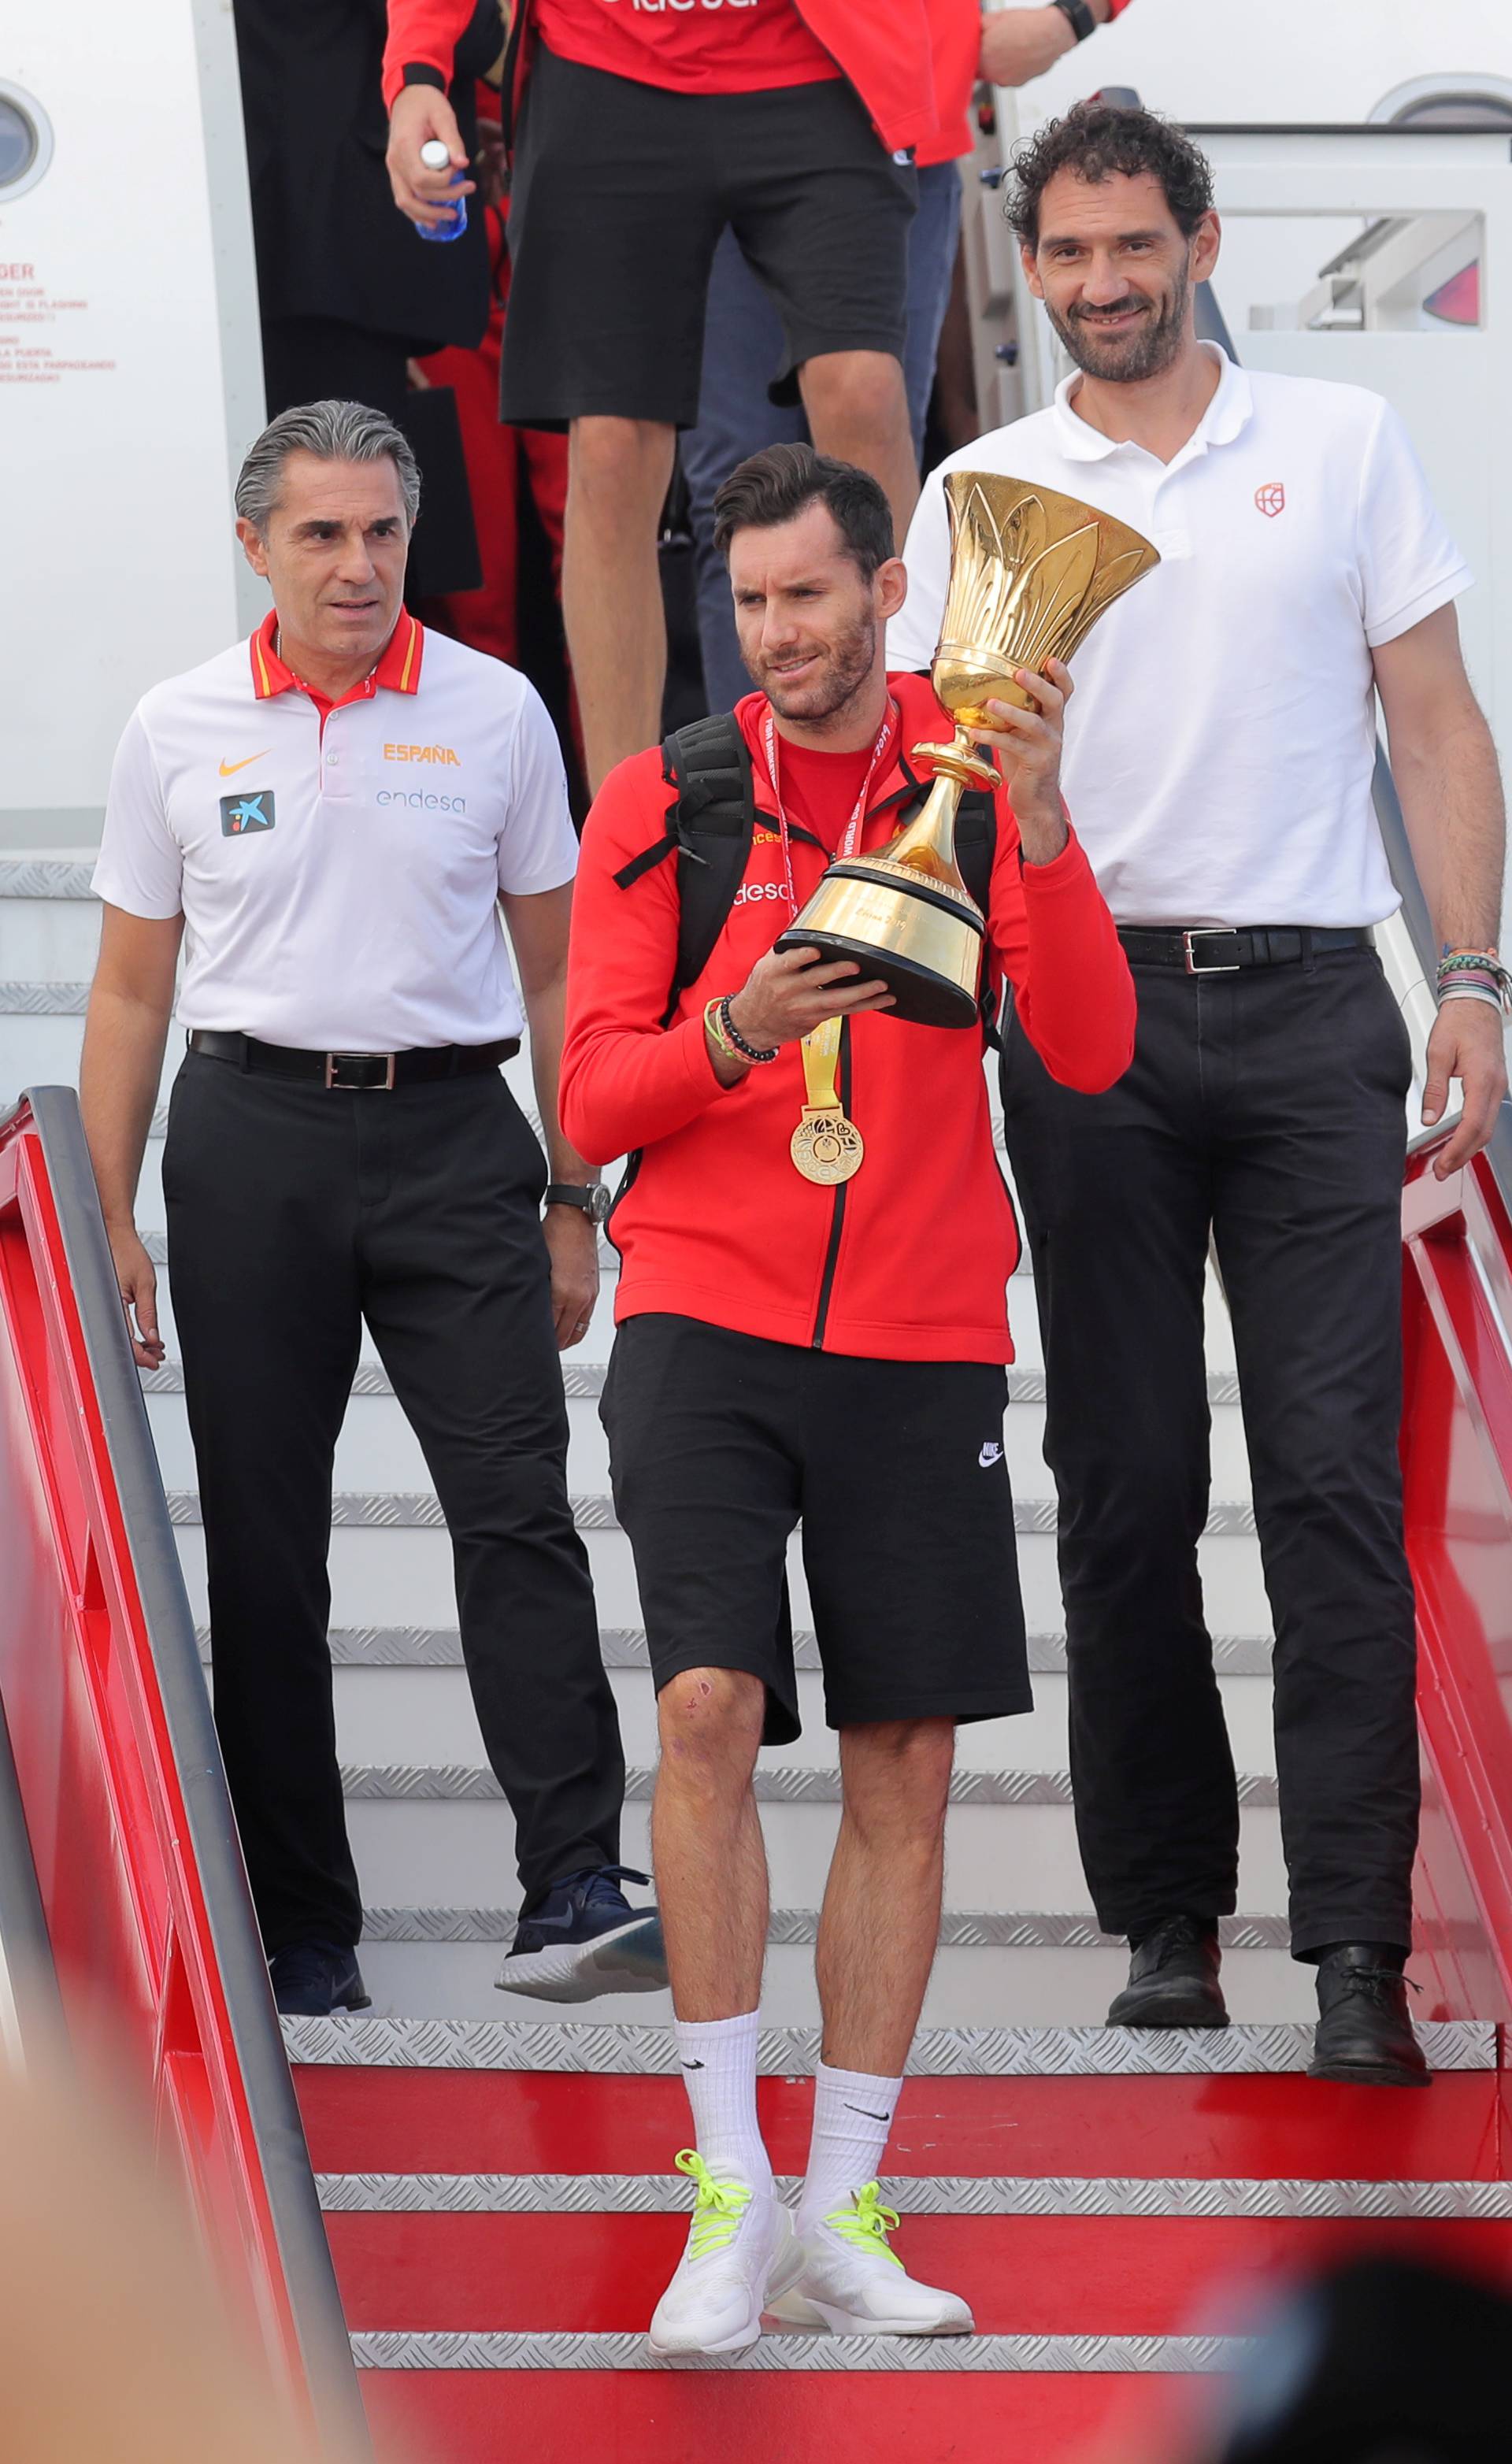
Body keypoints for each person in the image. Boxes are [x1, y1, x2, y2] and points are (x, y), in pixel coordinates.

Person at [891, 101, 1510, 2086]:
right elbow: (928, 791)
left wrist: (1472, 977)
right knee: (1126, 1493)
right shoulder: (982, 486)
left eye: (1128, 247)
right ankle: (1164, 1926)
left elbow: (1434, 725)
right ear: (1029, 264)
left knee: (1333, 1497)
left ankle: (1350, 1954)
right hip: (1084, 1028)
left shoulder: (1336, 446)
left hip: (1322, 1006)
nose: (1097, 284)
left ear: (1199, 238)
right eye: (1063, 254)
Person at [561, 443, 1134, 2354]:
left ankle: (844, 2200)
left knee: (903, 1766)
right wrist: (743, 1027)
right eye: (750, 603)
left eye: (810, 596)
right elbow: (592, 1100)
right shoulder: (665, 795)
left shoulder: (971, 777)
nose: (779, 635)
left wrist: (1040, 826)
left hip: (918, 1333)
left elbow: (1090, 1045)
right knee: (711, 1707)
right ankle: (727, 2190)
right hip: (704, 1320)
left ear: (888, 594)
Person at [80, 399, 663, 2018]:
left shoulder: (496, 712)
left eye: (383, 532)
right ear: (256, 543)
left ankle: (570, 1881)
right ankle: (302, 1924)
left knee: (517, 1507)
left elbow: (560, 968)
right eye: (322, 533)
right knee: (269, 1555)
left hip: (457, 1141)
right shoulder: (175, 725)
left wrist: (572, 1190)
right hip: (247, 1139)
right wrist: (111, 1217)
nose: (356, 565)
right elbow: (131, 995)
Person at [382, 0, 929, 791]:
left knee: (864, 390)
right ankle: (622, 822)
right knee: (608, 444)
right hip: (605, 61)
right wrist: (418, 71)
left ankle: (903, 775)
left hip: (812, 55)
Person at [682, 0, 1135, 715]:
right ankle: (749, 805)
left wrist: (1079, 12)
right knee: (733, 503)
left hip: (889, 110)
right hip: (702, 100)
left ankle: (899, 783)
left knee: (874, 490)